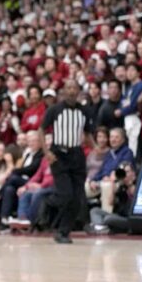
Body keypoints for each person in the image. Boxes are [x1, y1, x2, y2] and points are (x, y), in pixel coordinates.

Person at [40, 78, 94, 244]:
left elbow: (88, 133)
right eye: (68, 87)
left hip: (76, 154)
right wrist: (46, 151)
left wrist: (96, 148)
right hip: (59, 154)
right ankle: (48, 203)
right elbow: (41, 130)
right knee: (66, 194)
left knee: (77, 197)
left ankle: (63, 232)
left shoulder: (84, 110)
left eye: (74, 88)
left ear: (78, 91)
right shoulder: (54, 109)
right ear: (63, 90)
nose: (71, 91)